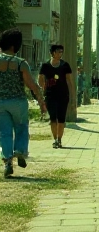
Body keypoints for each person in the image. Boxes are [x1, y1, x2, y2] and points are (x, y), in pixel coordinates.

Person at [0, 29, 47, 178]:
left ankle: (7, 161)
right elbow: (32, 85)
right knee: (21, 127)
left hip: (1, 103)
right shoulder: (21, 63)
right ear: (15, 46)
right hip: (18, 102)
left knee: (5, 133)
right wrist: (41, 102)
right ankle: (19, 151)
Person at [38, 44, 72, 148]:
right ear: (52, 53)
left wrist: (73, 96)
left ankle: (59, 139)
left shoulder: (65, 65)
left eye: (61, 52)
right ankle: (55, 139)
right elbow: (40, 79)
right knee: (53, 119)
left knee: (61, 119)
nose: (60, 54)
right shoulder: (45, 66)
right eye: (58, 51)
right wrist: (43, 86)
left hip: (63, 96)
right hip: (50, 96)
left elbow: (70, 81)